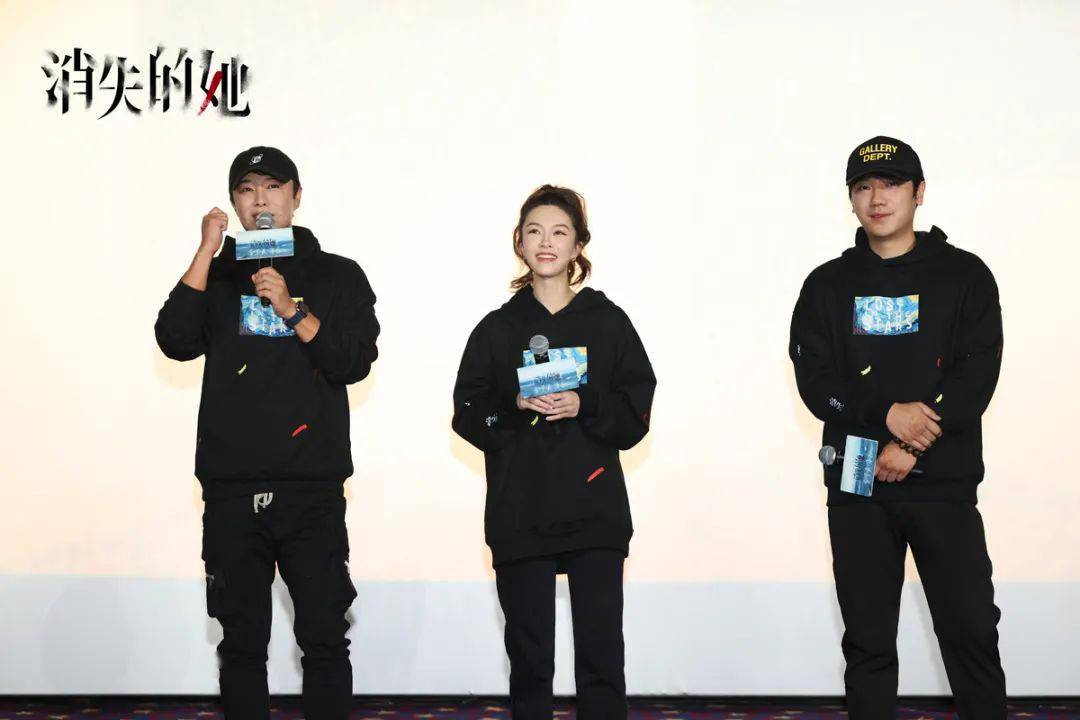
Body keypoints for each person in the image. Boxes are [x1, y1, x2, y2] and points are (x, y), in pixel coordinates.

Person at [155, 146, 379, 720]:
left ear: (296, 197)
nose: (260, 199)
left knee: (324, 637)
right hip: (232, 487)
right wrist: (206, 252)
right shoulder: (216, 275)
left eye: (273, 187)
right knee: (241, 644)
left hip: (311, 487)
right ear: (234, 202)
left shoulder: (337, 275)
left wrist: (290, 308)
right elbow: (175, 340)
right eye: (247, 189)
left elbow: (352, 361)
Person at [789, 136, 1006, 718]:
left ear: (919, 192)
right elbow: (816, 380)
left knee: (970, 631)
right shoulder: (826, 285)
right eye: (863, 187)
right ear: (851, 200)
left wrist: (913, 442)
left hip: (943, 482)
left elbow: (976, 373)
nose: (877, 198)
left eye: (890, 184)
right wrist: (885, 415)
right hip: (858, 483)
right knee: (867, 642)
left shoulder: (964, 276)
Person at [452, 184, 656, 719]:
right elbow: (467, 413)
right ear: (519, 242)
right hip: (521, 509)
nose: (547, 242)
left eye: (560, 232)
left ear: (578, 245)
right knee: (530, 658)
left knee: (601, 656)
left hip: (594, 509)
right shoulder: (497, 330)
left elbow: (636, 411)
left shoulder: (607, 322)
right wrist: (515, 403)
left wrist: (584, 404)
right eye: (535, 231)